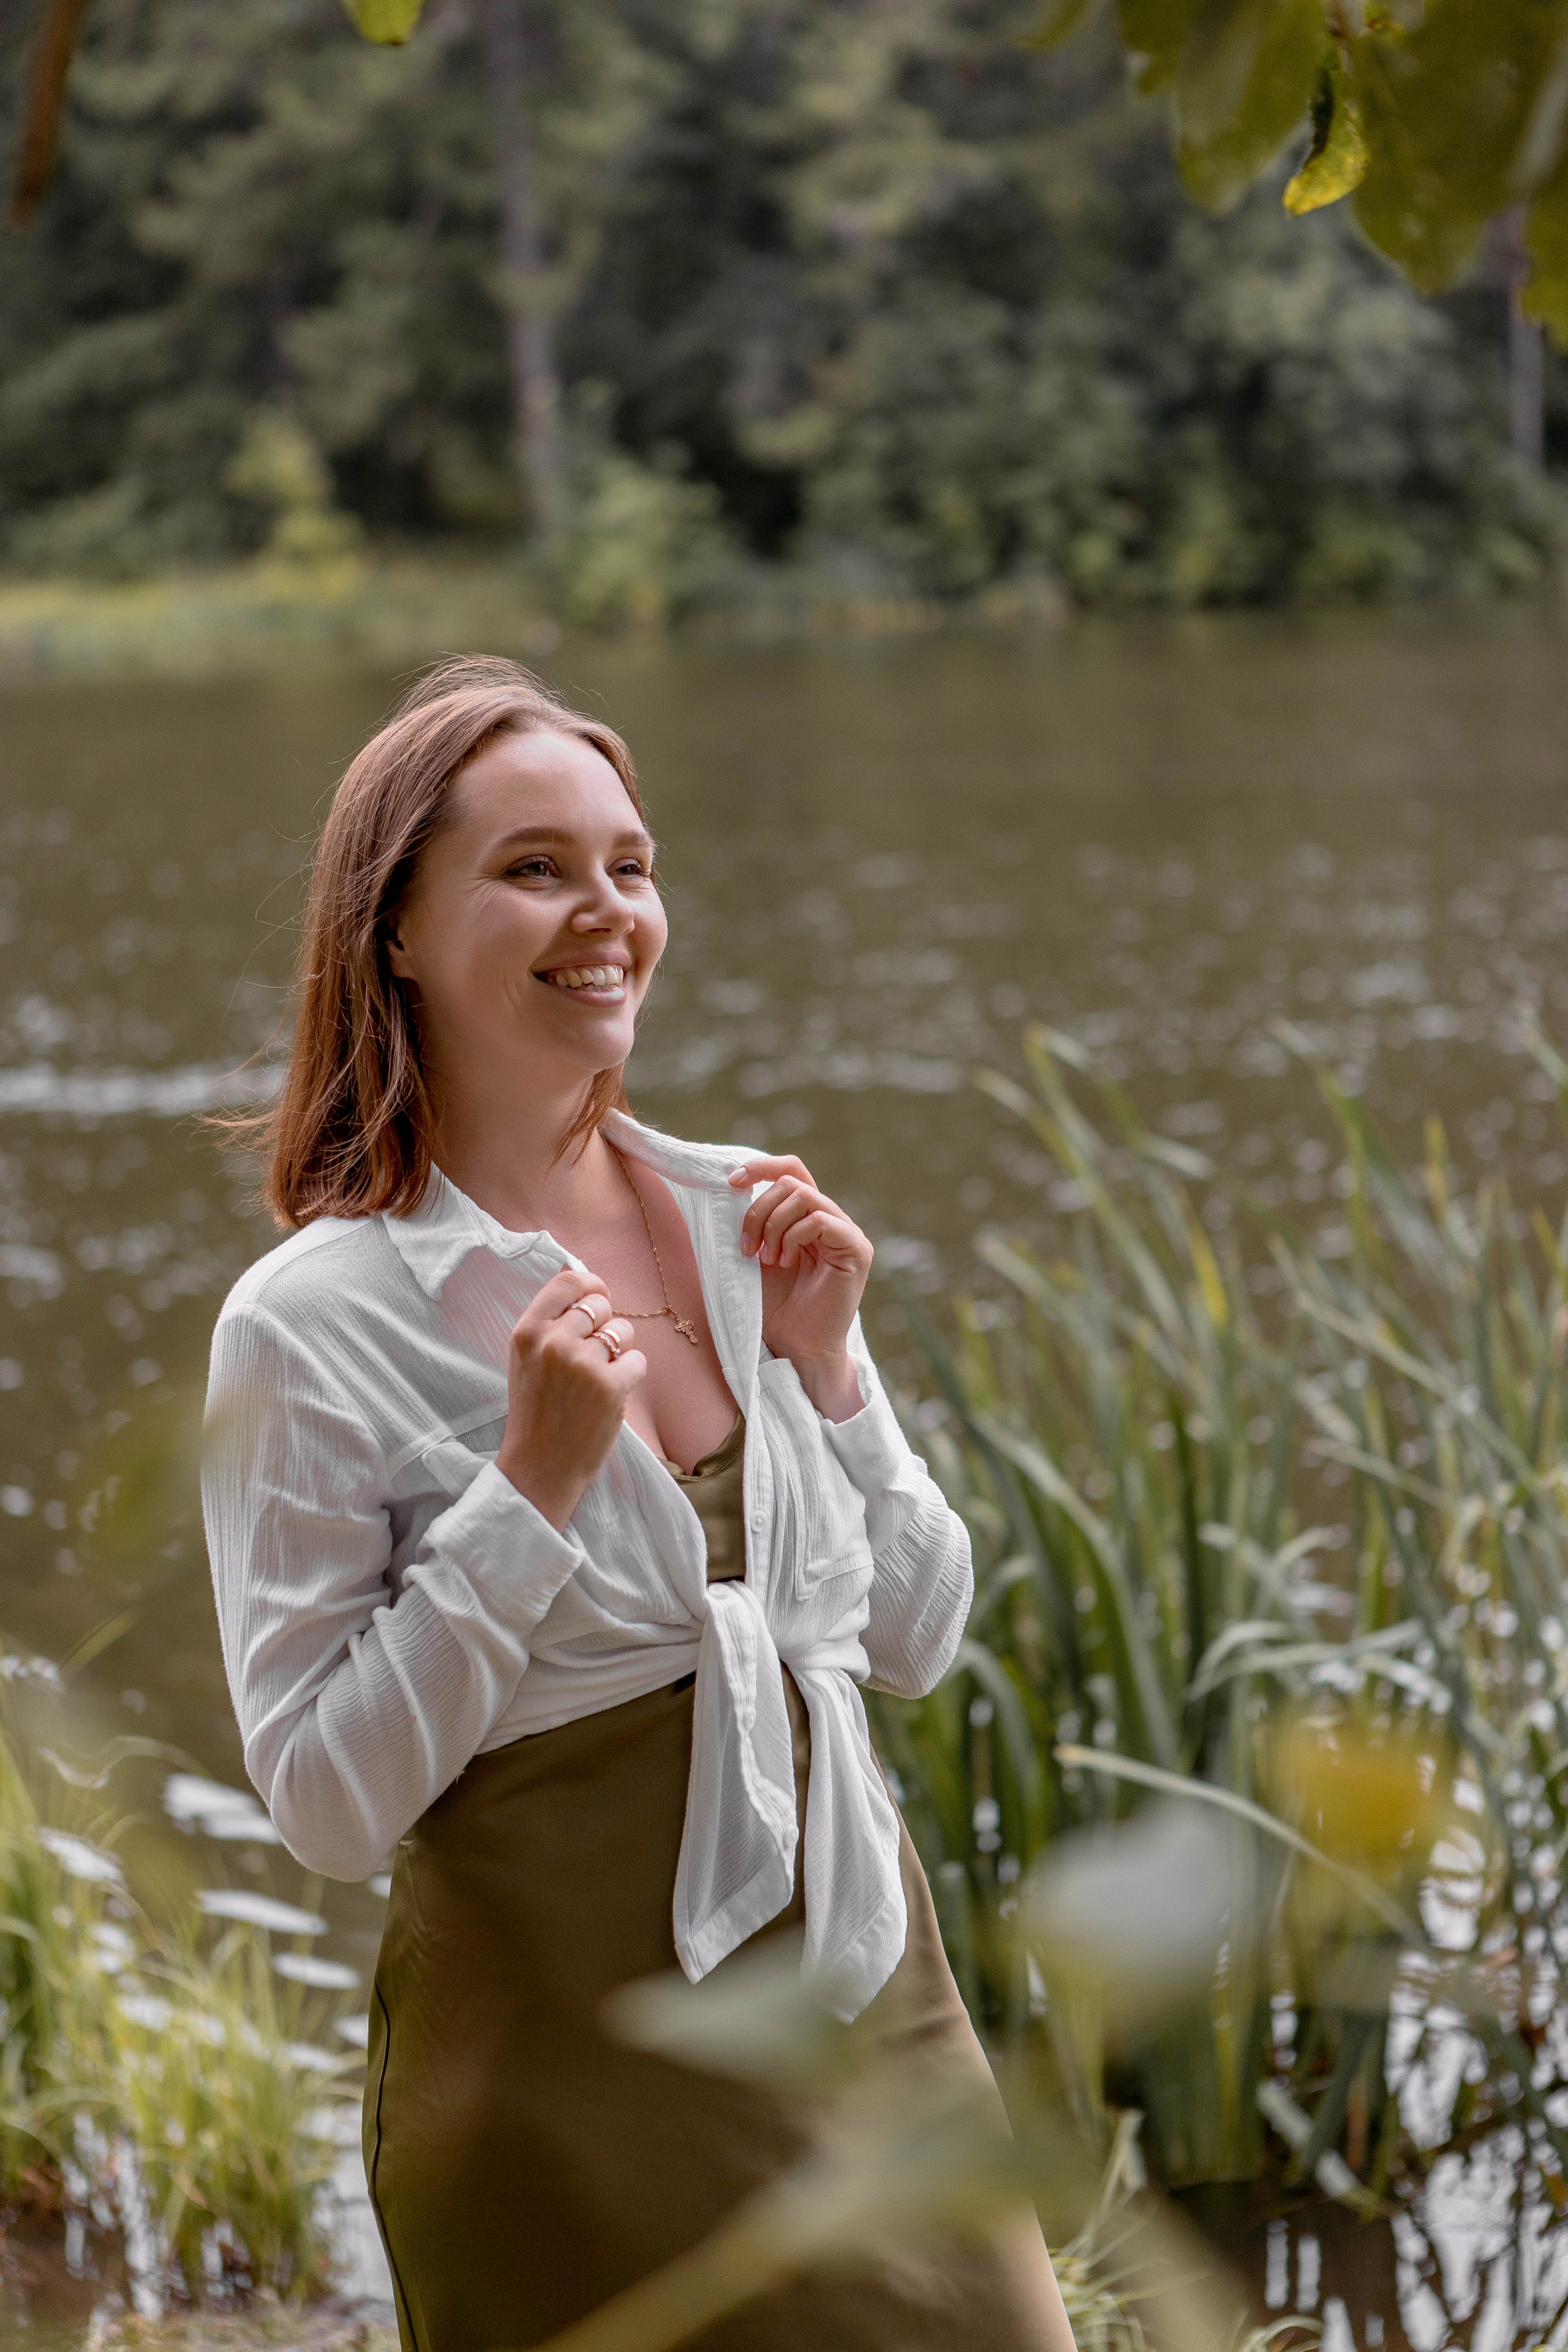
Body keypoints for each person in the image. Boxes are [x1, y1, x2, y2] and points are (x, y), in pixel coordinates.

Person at [202, 657, 1076, 2352]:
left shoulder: (748, 1218)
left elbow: (913, 1637)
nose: (604, 911)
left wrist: (835, 1370)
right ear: (392, 927)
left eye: (629, 863)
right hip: (559, 2082)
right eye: (534, 867)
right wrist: (529, 1484)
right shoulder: (311, 1322)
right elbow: (320, 1802)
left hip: (864, 2001)